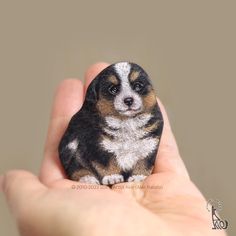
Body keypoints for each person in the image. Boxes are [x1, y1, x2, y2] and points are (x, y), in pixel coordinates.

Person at [0, 63, 226, 236]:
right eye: (113, 90)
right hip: (91, 165)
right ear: (96, 98)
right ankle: (86, 174)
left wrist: (141, 170)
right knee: (79, 147)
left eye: (137, 87)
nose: (128, 97)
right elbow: (91, 148)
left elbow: (148, 149)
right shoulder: (91, 124)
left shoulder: (153, 121)